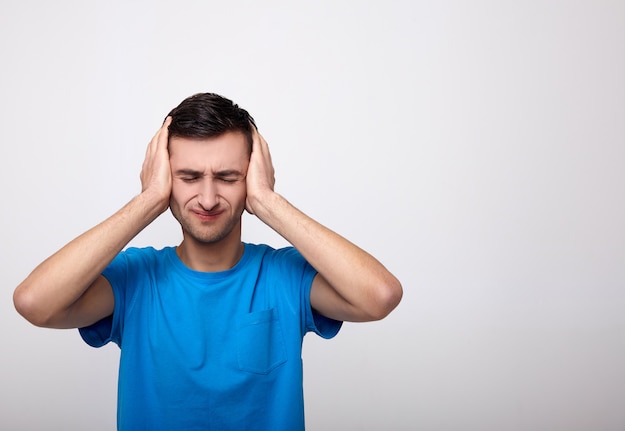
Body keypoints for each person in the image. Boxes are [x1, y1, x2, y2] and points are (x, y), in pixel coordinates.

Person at [13, 92, 402, 430]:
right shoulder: (135, 279)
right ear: (165, 177)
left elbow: (380, 296)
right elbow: (35, 303)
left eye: (228, 177)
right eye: (188, 176)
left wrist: (268, 201)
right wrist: (147, 199)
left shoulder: (283, 276)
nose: (209, 198)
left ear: (252, 176)